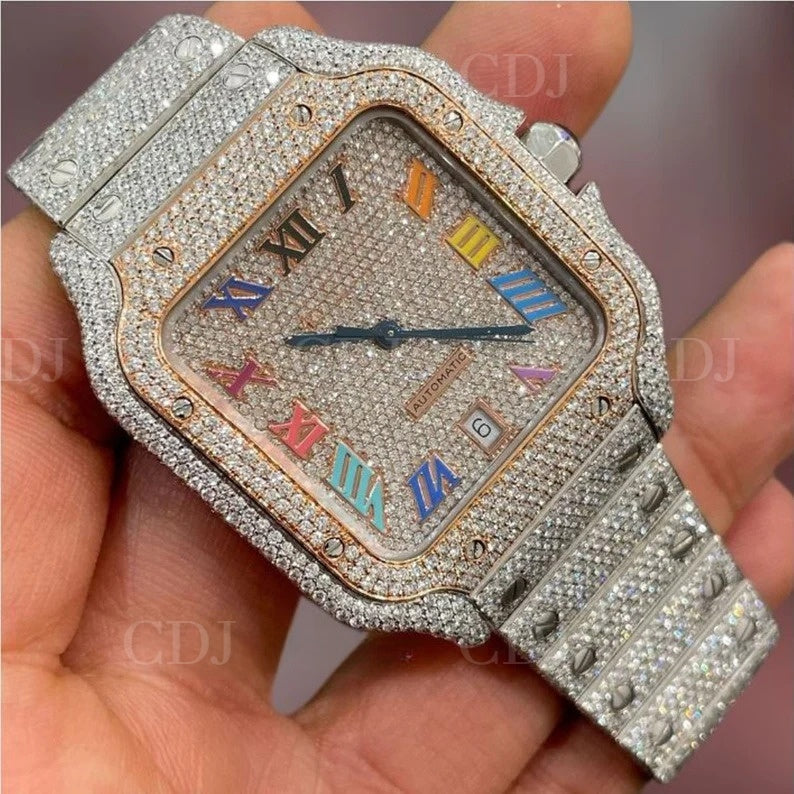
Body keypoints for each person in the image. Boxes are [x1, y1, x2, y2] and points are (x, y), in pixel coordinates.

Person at [3, 3, 792, 791]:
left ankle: (700, 668)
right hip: (455, 544)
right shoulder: (137, 323)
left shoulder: (335, 99)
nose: (385, 338)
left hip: (578, 424)